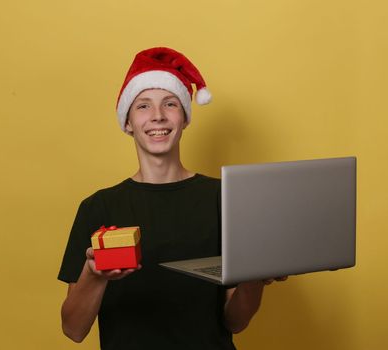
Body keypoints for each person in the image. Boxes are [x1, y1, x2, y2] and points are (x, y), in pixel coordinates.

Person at [57, 47, 286, 349]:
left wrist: (255, 280)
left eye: (170, 103)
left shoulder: (224, 198)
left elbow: (235, 321)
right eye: (143, 106)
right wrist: (95, 275)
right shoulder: (98, 207)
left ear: (185, 118)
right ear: (127, 122)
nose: (158, 116)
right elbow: (74, 329)